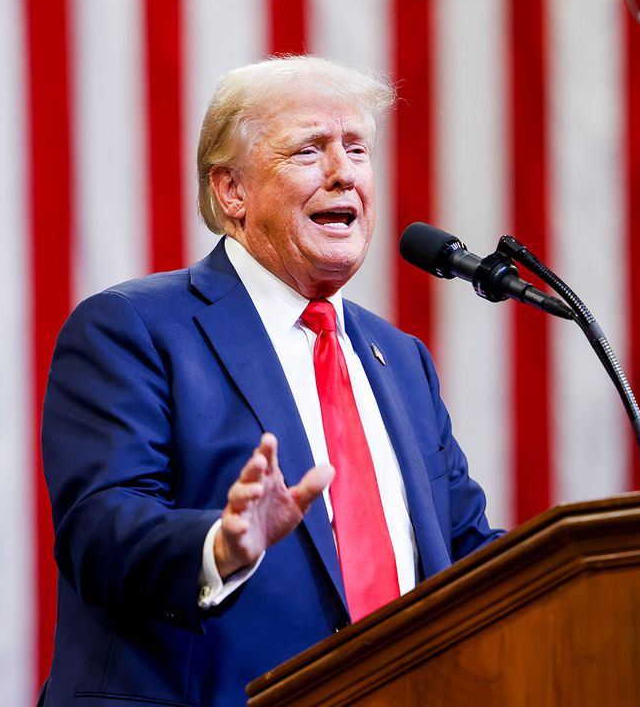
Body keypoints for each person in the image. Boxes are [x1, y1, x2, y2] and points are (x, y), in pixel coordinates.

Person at [39, 56, 503, 707]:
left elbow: (466, 551)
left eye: (357, 149)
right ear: (231, 191)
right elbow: (100, 531)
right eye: (309, 150)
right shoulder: (134, 329)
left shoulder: (399, 360)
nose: (344, 172)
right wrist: (220, 545)